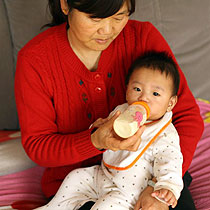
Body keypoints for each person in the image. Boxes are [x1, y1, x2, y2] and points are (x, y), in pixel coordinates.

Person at [14, 0, 204, 209]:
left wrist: (156, 188)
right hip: (83, 187)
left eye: (118, 17)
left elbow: (187, 118)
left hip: (153, 175)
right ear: (65, 5)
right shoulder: (35, 60)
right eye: (95, 18)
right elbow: (39, 146)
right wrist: (94, 140)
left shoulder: (142, 37)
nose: (107, 30)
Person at [34, 51, 184, 210]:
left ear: (170, 103)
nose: (143, 98)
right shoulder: (122, 111)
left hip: (129, 190)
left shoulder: (165, 133)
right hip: (104, 174)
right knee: (75, 178)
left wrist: (166, 187)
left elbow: (171, 161)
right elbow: (104, 134)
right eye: (137, 89)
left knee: (105, 206)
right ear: (127, 90)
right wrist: (96, 129)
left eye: (155, 93)